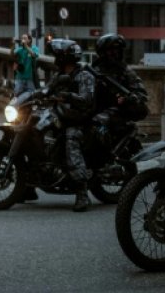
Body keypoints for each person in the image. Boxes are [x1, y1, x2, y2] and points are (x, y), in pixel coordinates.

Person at [43, 39, 95, 212]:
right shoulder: (59, 75)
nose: (55, 59)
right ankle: (27, 185)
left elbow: (87, 100)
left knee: (71, 139)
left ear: (66, 58)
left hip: (81, 121)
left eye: (57, 56)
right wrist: (29, 95)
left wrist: (69, 97)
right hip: (63, 116)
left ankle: (82, 193)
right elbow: (46, 90)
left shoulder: (84, 75)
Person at [90, 33, 148, 144]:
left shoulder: (126, 72)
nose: (115, 54)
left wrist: (129, 98)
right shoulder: (93, 70)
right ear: (102, 52)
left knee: (98, 125)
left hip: (116, 111)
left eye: (117, 51)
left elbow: (141, 94)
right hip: (94, 108)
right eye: (111, 51)